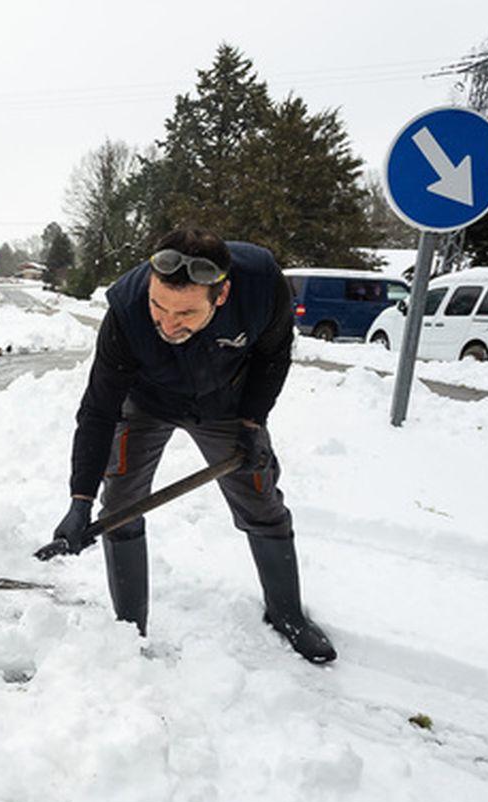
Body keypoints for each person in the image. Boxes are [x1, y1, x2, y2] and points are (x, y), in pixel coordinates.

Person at [51, 226, 336, 663]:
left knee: (261, 502)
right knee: (120, 505)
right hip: (146, 402)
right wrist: (79, 499)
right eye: (158, 306)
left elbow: (272, 355)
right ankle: (130, 630)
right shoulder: (126, 311)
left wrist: (252, 422)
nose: (166, 324)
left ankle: (288, 615)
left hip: (226, 405)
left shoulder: (260, 284)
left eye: (184, 314)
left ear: (220, 296)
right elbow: (98, 408)